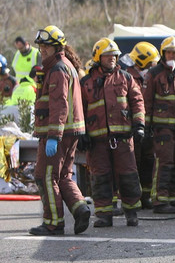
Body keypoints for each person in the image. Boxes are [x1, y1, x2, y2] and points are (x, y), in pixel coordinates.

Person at [29, 25, 91, 236]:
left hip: (58, 133)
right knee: (63, 175)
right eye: (41, 46)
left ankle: (53, 223)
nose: (42, 50)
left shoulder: (57, 70)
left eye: (46, 46)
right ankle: (80, 208)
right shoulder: (64, 66)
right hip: (69, 132)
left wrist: (53, 136)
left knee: (45, 176)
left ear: (57, 47)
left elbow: (59, 104)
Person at [79, 38, 145, 227]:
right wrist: (82, 133)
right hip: (97, 141)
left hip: (123, 139)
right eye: (108, 56)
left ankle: (131, 213)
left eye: (114, 56)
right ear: (98, 57)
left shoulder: (126, 78)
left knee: (128, 175)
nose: (112, 59)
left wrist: (139, 125)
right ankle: (104, 215)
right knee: (100, 177)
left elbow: (137, 101)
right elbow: (79, 109)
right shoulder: (86, 82)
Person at [142, 36, 175, 214]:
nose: (171, 55)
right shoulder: (154, 74)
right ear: (163, 54)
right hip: (161, 128)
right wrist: (145, 127)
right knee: (164, 163)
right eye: (168, 52)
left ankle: (173, 198)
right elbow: (146, 102)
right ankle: (160, 200)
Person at [119, 41, 160, 209]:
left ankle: (145, 196)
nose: (154, 66)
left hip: (149, 126)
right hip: (132, 127)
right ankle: (130, 199)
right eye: (152, 63)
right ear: (142, 62)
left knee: (148, 162)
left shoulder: (151, 77)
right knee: (132, 164)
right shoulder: (126, 77)